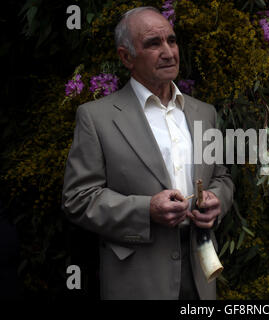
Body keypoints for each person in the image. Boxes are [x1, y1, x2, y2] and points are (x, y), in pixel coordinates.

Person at [61, 6, 234, 300]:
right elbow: (77, 198)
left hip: (201, 274)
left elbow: (222, 177)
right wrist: (145, 210)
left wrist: (218, 201)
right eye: (153, 44)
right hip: (137, 278)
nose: (168, 52)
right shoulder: (96, 117)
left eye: (172, 40)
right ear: (126, 57)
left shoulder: (204, 112)